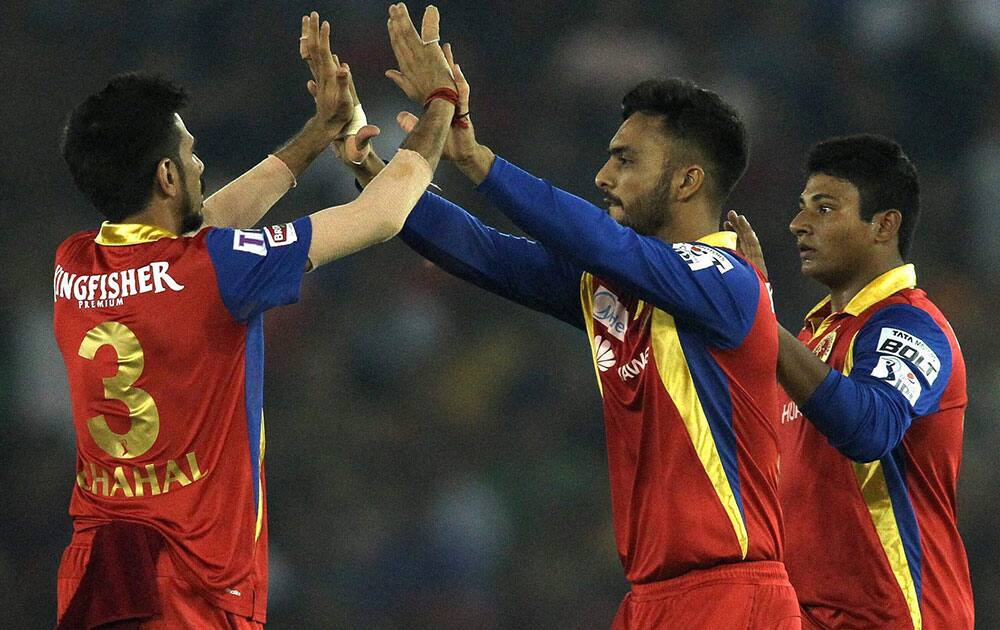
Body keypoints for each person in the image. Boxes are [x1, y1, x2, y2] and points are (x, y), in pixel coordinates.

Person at [335, 6, 801, 627]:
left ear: (688, 181)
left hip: (732, 595)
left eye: (627, 161)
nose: (604, 175)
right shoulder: (617, 288)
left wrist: (477, 161)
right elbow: (486, 254)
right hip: (649, 600)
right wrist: (380, 182)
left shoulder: (728, 282)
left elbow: (600, 243)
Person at [52, 7, 457, 628]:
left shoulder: (73, 267)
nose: (200, 166)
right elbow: (380, 216)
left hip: (100, 586)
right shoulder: (213, 270)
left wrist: (318, 135)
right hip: (190, 591)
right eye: (189, 156)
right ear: (165, 175)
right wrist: (440, 102)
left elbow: (196, 238)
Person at [727, 135, 974, 629]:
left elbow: (868, 429)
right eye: (802, 208)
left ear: (884, 225)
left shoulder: (912, 325)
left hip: (902, 617)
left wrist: (757, 323)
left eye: (825, 208)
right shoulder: (811, 337)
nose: (798, 224)